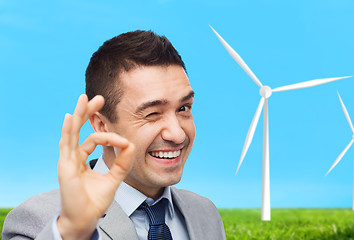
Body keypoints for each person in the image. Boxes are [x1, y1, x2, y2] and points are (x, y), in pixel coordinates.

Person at [2, 30, 226, 240]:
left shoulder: (205, 214)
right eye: (152, 114)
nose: (177, 134)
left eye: (184, 108)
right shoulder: (38, 222)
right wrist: (72, 230)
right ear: (101, 125)